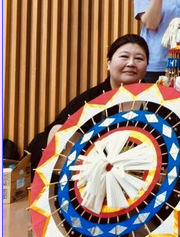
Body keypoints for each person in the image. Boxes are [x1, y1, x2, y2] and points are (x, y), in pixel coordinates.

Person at [26, 34, 149, 169]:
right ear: (108, 63)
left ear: (147, 67)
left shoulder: (156, 101)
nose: (131, 63)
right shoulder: (91, 99)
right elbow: (58, 131)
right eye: (124, 57)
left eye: (139, 59)